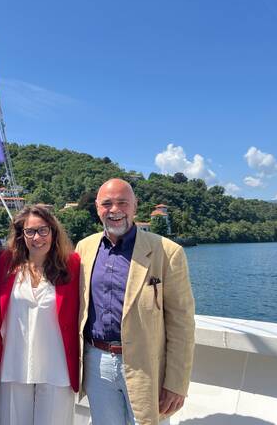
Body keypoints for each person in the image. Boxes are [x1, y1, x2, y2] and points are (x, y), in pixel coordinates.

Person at [76, 178, 195, 425]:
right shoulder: (84, 248)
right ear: (97, 208)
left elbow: (181, 323)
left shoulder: (167, 252)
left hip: (146, 365)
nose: (115, 210)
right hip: (96, 362)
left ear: (135, 206)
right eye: (107, 203)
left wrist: (176, 383)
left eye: (122, 202)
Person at [0, 204, 80, 425]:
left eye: (43, 230)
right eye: (30, 231)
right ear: (22, 235)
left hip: (56, 365)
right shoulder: (6, 263)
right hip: (14, 362)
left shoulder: (72, 265)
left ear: (53, 231)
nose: (37, 237)